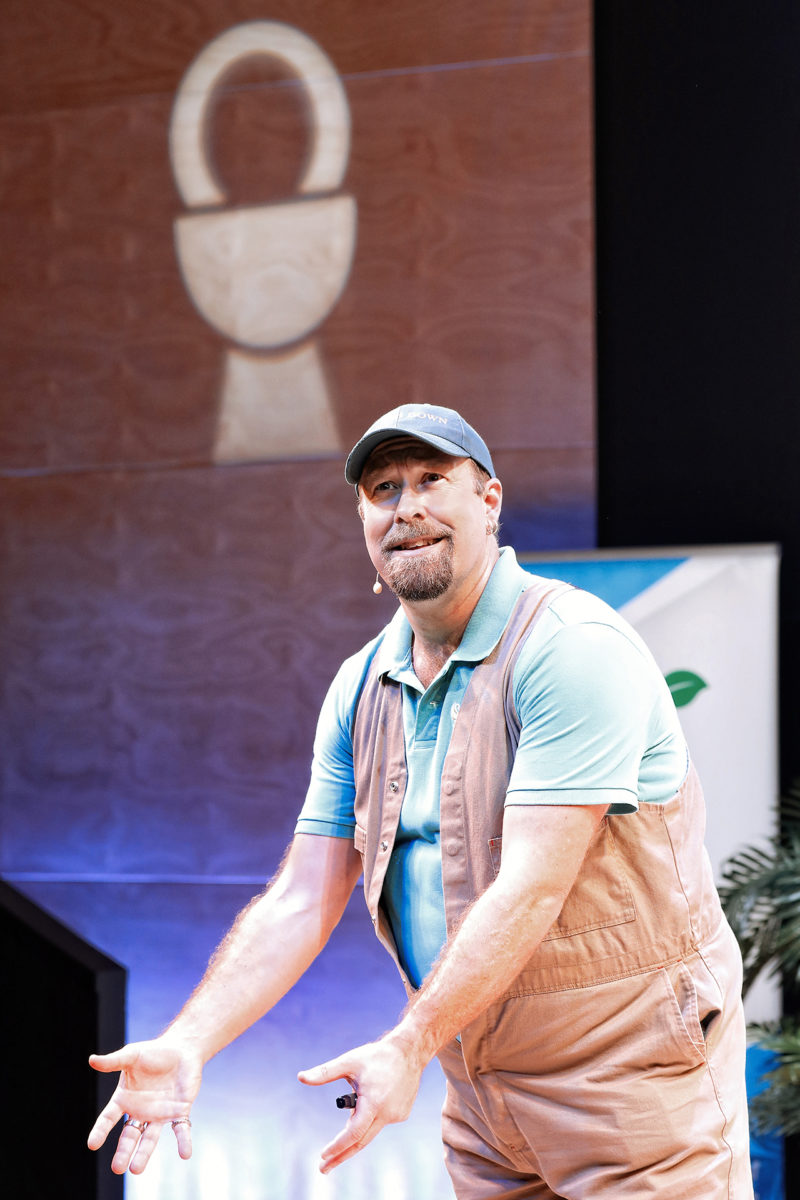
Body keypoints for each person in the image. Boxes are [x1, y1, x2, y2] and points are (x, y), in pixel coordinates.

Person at [88, 404, 754, 1198]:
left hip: (631, 1085)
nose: (406, 506)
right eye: (382, 488)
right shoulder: (362, 685)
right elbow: (305, 895)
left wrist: (405, 1047)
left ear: (490, 501)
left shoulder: (572, 649)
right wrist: (190, 1042)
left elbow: (533, 886)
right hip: (481, 1094)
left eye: (433, 479)